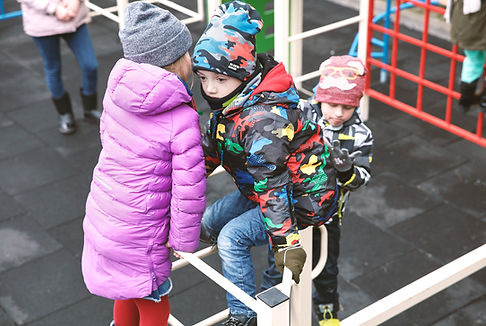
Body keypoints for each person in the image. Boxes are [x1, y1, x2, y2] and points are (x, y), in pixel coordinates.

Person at [192, 1, 338, 325]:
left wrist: (286, 242)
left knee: (231, 237)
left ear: (243, 74)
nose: (210, 89)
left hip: (302, 197)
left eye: (219, 79)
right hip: (260, 190)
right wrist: (172, 187)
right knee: (208, 222)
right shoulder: (231, 103)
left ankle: (244, 317)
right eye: (202, 77)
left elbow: (273, 182)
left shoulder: (263, 121)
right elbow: (209, 150)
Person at [81, 2, 206, 326]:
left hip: (106, 209)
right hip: (143, 227)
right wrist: (182, 240)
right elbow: (188, 189)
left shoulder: (116, 91)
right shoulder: (181, 116)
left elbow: (108, 138)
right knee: (154, 298)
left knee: (126, 290)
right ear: (177, 60)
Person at [296, 55, 374, 323]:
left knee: (327, 267)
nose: (339, 113)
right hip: (293, 205)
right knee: (282, 263)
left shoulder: (361, 135)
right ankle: (277, 308)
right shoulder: (304, 113)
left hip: (329, 214)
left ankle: (327, 308)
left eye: (347, 106)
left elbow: (362, 178)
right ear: (319, 98)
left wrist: (347, 171)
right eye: (332, 104)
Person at [17, 0, 101, 134]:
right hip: (43, 22)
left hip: (74, 16)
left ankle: (90, 109)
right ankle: (65, 113)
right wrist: (54, 8)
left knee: (90, 65)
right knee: (53, 68)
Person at [446, 0, 486, 112]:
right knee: (474, 61)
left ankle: (465, 100)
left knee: (472, 61)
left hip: (464, 28)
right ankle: (484, 102)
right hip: (479, 27)